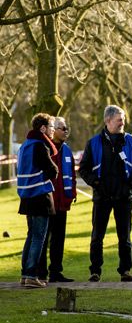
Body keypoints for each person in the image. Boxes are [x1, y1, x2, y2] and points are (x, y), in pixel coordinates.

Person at [78, 105, 132, 282]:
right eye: (119, 119)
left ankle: (125, 271)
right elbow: (83, 168)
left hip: (124, 197)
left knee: (125, 237)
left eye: (123, 118)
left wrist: (131, 183)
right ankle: (95, 271)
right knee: (97, 236)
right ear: (107, 120)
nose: (122, 122)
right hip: (102, 197)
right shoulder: (93, 143)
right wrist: (96, 183)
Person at [17, 113, 58, 288]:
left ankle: (25, 274)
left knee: (30, 236)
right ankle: (32, 275)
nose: (53, 130)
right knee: (39, 238)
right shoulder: (41, 146)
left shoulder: (25, 145)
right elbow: (52, 170)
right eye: (51, 127)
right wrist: (54, 170)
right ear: (42, 128)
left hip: (26, 197)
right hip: (40, 197)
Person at [38, 117, 77, 283]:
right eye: (62, 128)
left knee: (59, 239)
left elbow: (72, 174)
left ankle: (56, 272)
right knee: (43, 238)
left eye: (67, 128)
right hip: (47, 201)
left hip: (62, 203)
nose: (66, 131)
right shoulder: (44, 148)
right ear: (53, 130)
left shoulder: (67, 150)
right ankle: (40, 273)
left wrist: (72, 193)